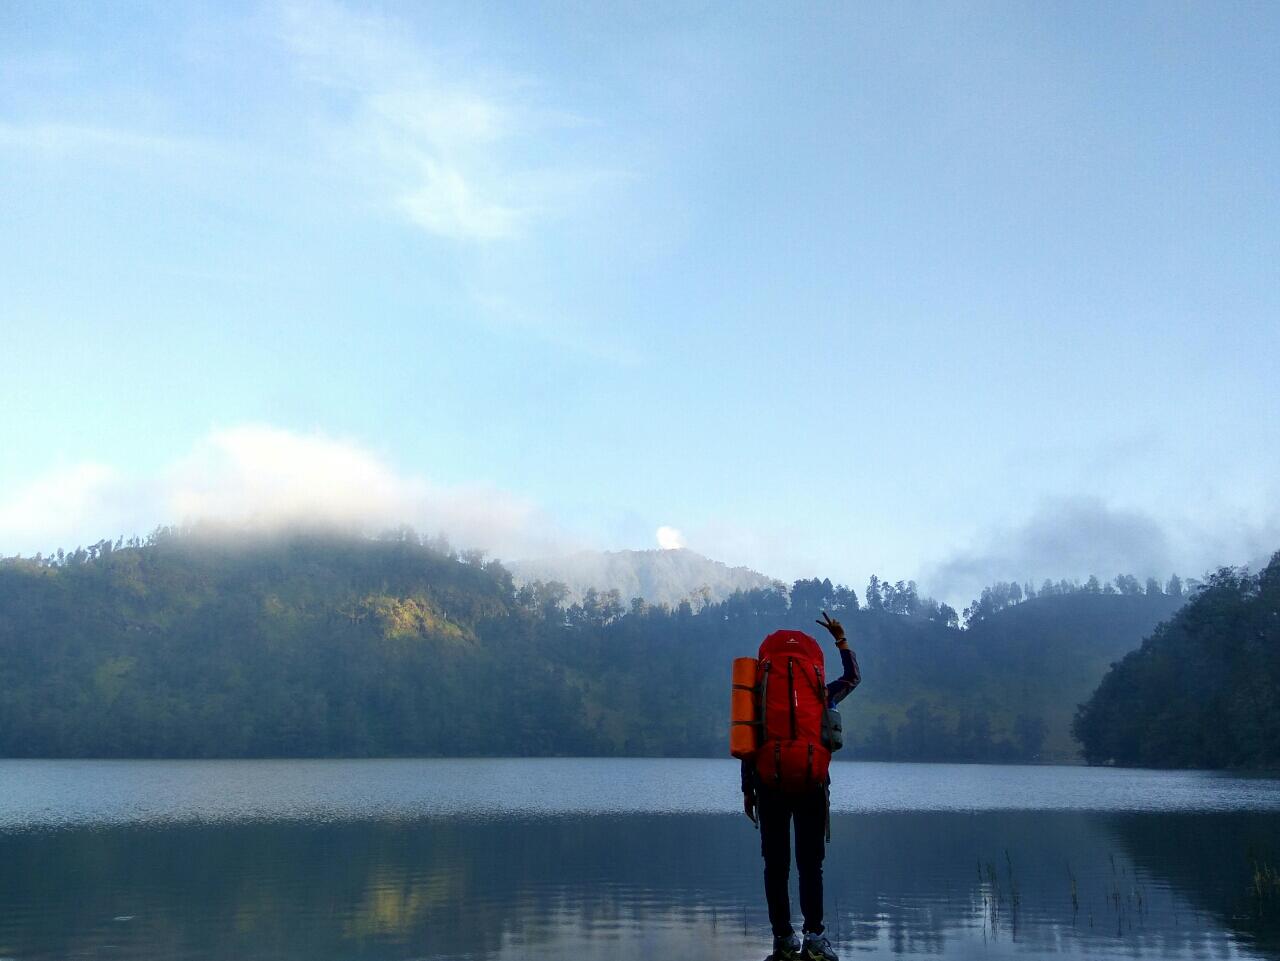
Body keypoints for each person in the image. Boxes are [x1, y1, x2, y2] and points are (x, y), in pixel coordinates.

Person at [742, 611, 861, 961]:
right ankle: (815, 938)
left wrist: (748, 790)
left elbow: (749, 743)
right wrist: (841, 640)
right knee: (811, 865)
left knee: (775, 865)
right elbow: (854, 677)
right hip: (813, 783)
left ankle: (783, 940)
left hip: (769, 784)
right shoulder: (823, 694)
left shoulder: (760, 696)